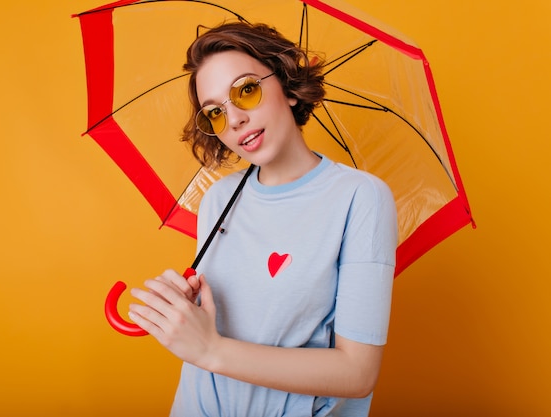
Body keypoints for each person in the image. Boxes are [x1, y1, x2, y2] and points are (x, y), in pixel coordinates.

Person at [128, 21, 397, 417]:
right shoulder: (218, 198)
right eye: (214, 113)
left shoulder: (360, 197)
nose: (233, 120)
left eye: (247, 90)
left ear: (287, 87)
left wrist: (210, 349)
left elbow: (357, 373)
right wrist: (187, 312)